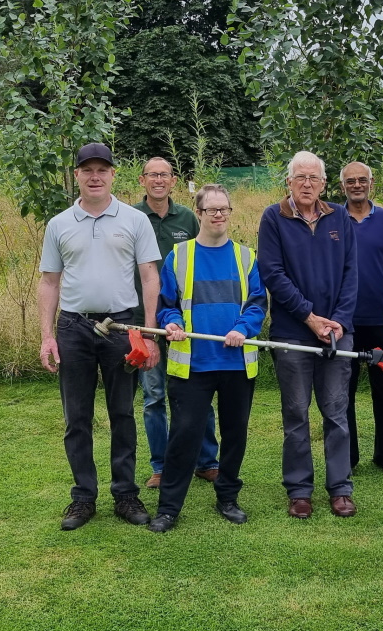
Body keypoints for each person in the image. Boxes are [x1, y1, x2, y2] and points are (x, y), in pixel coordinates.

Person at [38, 142, 161, 531]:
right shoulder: (58, 224)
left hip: (122, 328)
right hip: (73, 328)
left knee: (122, 412)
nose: (95, 176)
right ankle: (83, 498)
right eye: (87, 170)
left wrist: (152, 333)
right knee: (77, 416)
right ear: (77, 175)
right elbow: (49, 281)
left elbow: (149, 277)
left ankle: (125, 494)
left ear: (112, 175)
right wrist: (47, 335)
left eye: (102, 170)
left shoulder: (134, 220)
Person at [148, 184, 267, 531]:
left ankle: (227, 497)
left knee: (235, 436)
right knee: (184, 436)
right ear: (198, 214)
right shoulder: (179, 256)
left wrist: (243, 329)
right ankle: (169, 508)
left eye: (224, 209)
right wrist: (171, 325)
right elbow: (166, 306)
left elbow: (258, 303)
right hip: (193, 367)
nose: (218, 214)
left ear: (230, 213)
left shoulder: (246, 257)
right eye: (211, 209)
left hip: (236, 365)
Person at [257, 151, 358, 519]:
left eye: (313, 178)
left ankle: (340, 489)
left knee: (336, 412)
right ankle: (300, 490)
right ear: (289, 181)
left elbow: (351, 272)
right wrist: (309, 317)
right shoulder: (273, 218)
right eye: (300, 177)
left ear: (324, 183)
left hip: (337, 332)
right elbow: (272, 273)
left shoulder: (340, 216)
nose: (306, 184)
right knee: (296, 413)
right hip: (292, 334)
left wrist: (339, 321)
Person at [133, 157, 219, 489]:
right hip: (145, 324)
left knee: (197, 393)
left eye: (164, 175)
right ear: (142, 180)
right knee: (154, 395)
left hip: (187, 324)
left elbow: (206, 255)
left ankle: (206, 461)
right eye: (152, 175)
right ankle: (161, 465)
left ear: (174, 180)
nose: (158, 180)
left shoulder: (187, 217)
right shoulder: (130, 217)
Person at [341, 161, 383, 475]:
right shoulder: (334, 219)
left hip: (382, 321)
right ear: (342, 186)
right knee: (344, 392)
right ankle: (348, 456)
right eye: (350, 181)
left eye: (361, 180)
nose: (356, 185)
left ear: (371, 183)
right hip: (345, 323)